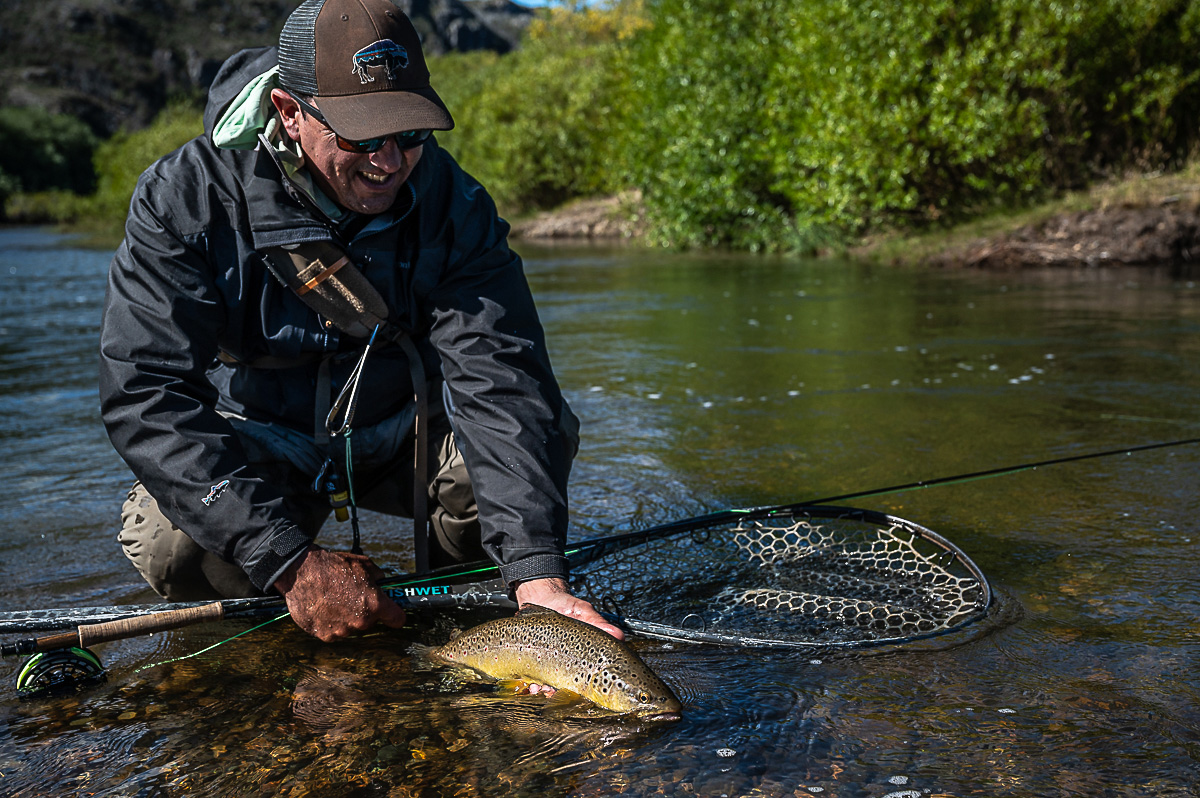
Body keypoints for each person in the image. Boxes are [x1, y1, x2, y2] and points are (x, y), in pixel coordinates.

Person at [99, 0, 621, 643]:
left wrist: (538, 573)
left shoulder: (454, 204)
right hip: (267, 436)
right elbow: (147, 392)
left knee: (542, 443)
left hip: (404, 429)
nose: (391, 162)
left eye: (410, 135)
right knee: (171, 546)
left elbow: (503, 379)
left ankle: (469, 595)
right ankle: (284, 612)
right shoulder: (186, 197)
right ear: (290, 113)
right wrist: (290, 562)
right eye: (362, 138)